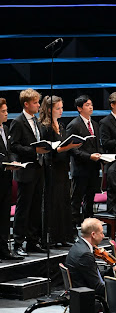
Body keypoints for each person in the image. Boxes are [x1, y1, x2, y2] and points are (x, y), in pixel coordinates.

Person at [9, 88, 48, 256]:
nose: (39, 105)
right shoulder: (18, 122)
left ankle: (33, 241)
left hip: (38, 169)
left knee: (35, 207)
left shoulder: (37, 121)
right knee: (23, 208)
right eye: (35, 103)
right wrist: (34, 151)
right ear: (26, 104)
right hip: (26, 171)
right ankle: (18, 243)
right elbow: (14, 146)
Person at [39, 95, 81, 246]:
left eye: (62, 107)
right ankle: (51, 238)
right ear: (49, 110)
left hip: (63, 167)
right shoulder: (44, 127)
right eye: (58, 108)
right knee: (53, 202)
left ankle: (64, 237)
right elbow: (48, 150)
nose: (61, 110)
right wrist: (67, 147)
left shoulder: (61, 125)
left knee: (64, 202)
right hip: (52, 167)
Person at [65, 217, 116, 297]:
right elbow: (97, 287)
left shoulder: (78, 246)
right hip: (87, 298)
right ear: (93, 235)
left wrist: (114, 269)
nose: (103, 236)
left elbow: (95, 275)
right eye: (101, 233)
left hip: (80, 293)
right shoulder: (85, 255)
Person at [67, 95, 102, 227]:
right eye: (87, 105)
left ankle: (89, 224)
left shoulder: (94, 124)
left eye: (91, 104)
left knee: (90, 197)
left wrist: (101, 156)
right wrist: (89, 156)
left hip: (93, 167)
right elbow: (72, 150)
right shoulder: (74, 125)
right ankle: (74, 226)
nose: (91, 107)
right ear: (79, 108)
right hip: (80, 168)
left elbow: (98, 145)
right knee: (76, 199)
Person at [0, 98, 22, 259]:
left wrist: (12, 162)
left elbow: (7, 152)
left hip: (6, 179)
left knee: (4, 216)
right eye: (3, 111)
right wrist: (3, 164)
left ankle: (4, 249)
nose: (7, 113)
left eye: (7, 110)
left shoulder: (6, 129)